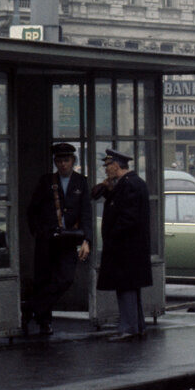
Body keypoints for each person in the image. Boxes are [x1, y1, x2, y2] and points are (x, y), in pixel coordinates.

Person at [23, 143, 93, 336]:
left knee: (66, 279)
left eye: (66, 160)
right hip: (47, 240)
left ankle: (31, 307)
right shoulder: (46, 181)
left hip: (68, 240)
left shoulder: (81, 182)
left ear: (73, 161)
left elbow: (86, 213)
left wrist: (86, 240)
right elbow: (32, 210)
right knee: (44, 279)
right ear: (55, 162)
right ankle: (45, 322)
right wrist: (39, 231)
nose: (63, 164)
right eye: (59, 161)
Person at [95, 148, 152, 342]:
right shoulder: (133, 183)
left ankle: (128, 328)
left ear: (116, 166)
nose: (106, 170)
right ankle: (137, 326)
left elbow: (128, 217)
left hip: (125, 248)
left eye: (108, 166)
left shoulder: (128, 186)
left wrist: (113, 236)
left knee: (126, 288)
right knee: (131, 288)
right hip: (131, 248)